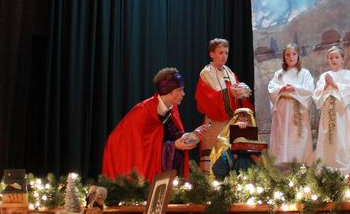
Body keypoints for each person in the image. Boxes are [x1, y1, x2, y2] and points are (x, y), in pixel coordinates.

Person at [102, 68, 199, 180]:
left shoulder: (171, 108)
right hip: (121, 154)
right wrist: (174, 146)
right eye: (180, 90)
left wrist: (186, 136)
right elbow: (143, 149)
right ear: (170, 92)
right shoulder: (144, 112)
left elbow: (169, 131)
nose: (183, 94)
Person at [195, 38, 253, 171]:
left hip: (230, 124)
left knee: (229, 161)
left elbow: (238, 99)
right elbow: (206, 100)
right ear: (212, 54)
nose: (224, 56)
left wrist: (242, 93)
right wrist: (229, 92)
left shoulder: (230, 72)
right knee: (213, 163)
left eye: (226, 53)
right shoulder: (206, 73)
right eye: (220, 53)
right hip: (214, 125)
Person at [267, 44, 315, 165]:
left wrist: (294, 88)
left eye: (293, 54)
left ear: (298, 55)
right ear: (284, 57)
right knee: (282, 135)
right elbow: (271, 88)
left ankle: (299, 162)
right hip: (282, 109)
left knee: (297, 136)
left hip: (297, 108)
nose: (291, 57)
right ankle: (281, 163)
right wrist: (281, 88)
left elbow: (309, 89)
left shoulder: (304, 73)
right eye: (287, 55)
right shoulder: (279, 74)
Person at [312, 46, 350, 172]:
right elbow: (317, 95)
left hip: (341, 112)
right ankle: (326, 163)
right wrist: (326, 85)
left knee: (341, 135)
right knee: (326, 135)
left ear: (343, 59)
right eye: (331, 58)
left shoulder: (347, 74)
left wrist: (334, 84)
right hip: (327, 112)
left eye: (336, 57)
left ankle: (343, 165)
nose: (333, 60)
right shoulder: (324, 76)